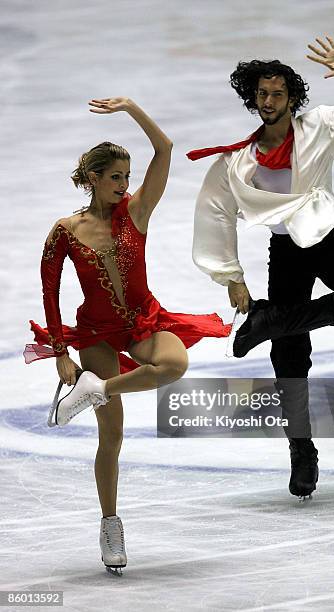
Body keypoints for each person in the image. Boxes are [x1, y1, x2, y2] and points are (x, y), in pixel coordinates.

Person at [23, 97, 231, 573]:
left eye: (127, 175)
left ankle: (95, 390)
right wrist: (60, 352)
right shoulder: (65, 231)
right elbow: (50, 293)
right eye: (115, 176)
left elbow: (166, 148)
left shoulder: (136, 213)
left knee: (174, 364)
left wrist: (132, 108)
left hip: (142, 320)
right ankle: (110, 523)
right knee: (111, 435)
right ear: (93, 178)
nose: (124, 184)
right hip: (96, 331)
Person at [189, 35, 334, 499]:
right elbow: (214, 212)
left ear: (293, 98)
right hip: (287, 252)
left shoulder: (319, 126)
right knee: (290, 357)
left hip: (328, 238)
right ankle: (301, 449)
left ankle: (273, 319)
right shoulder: (239, 161)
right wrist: (233, 278)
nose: (269, 101)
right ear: (252, 98)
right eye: (262, 94)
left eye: (278, 94)